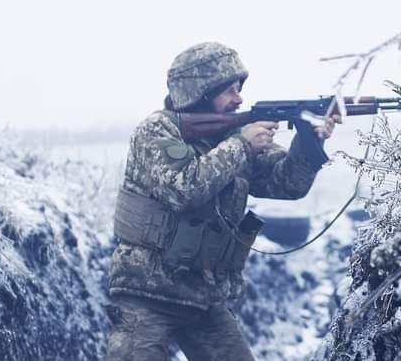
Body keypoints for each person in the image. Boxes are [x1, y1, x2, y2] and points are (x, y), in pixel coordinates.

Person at [104, 42, 338, 361]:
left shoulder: (235, 135)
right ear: (201, 91)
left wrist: (309, 142)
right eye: (229, 90)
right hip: (146, 293)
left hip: (202, 296)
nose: (238, 98)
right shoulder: (158, 130)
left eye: (238, 89)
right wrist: (242, 146)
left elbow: (286, 184)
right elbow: (183, 188)